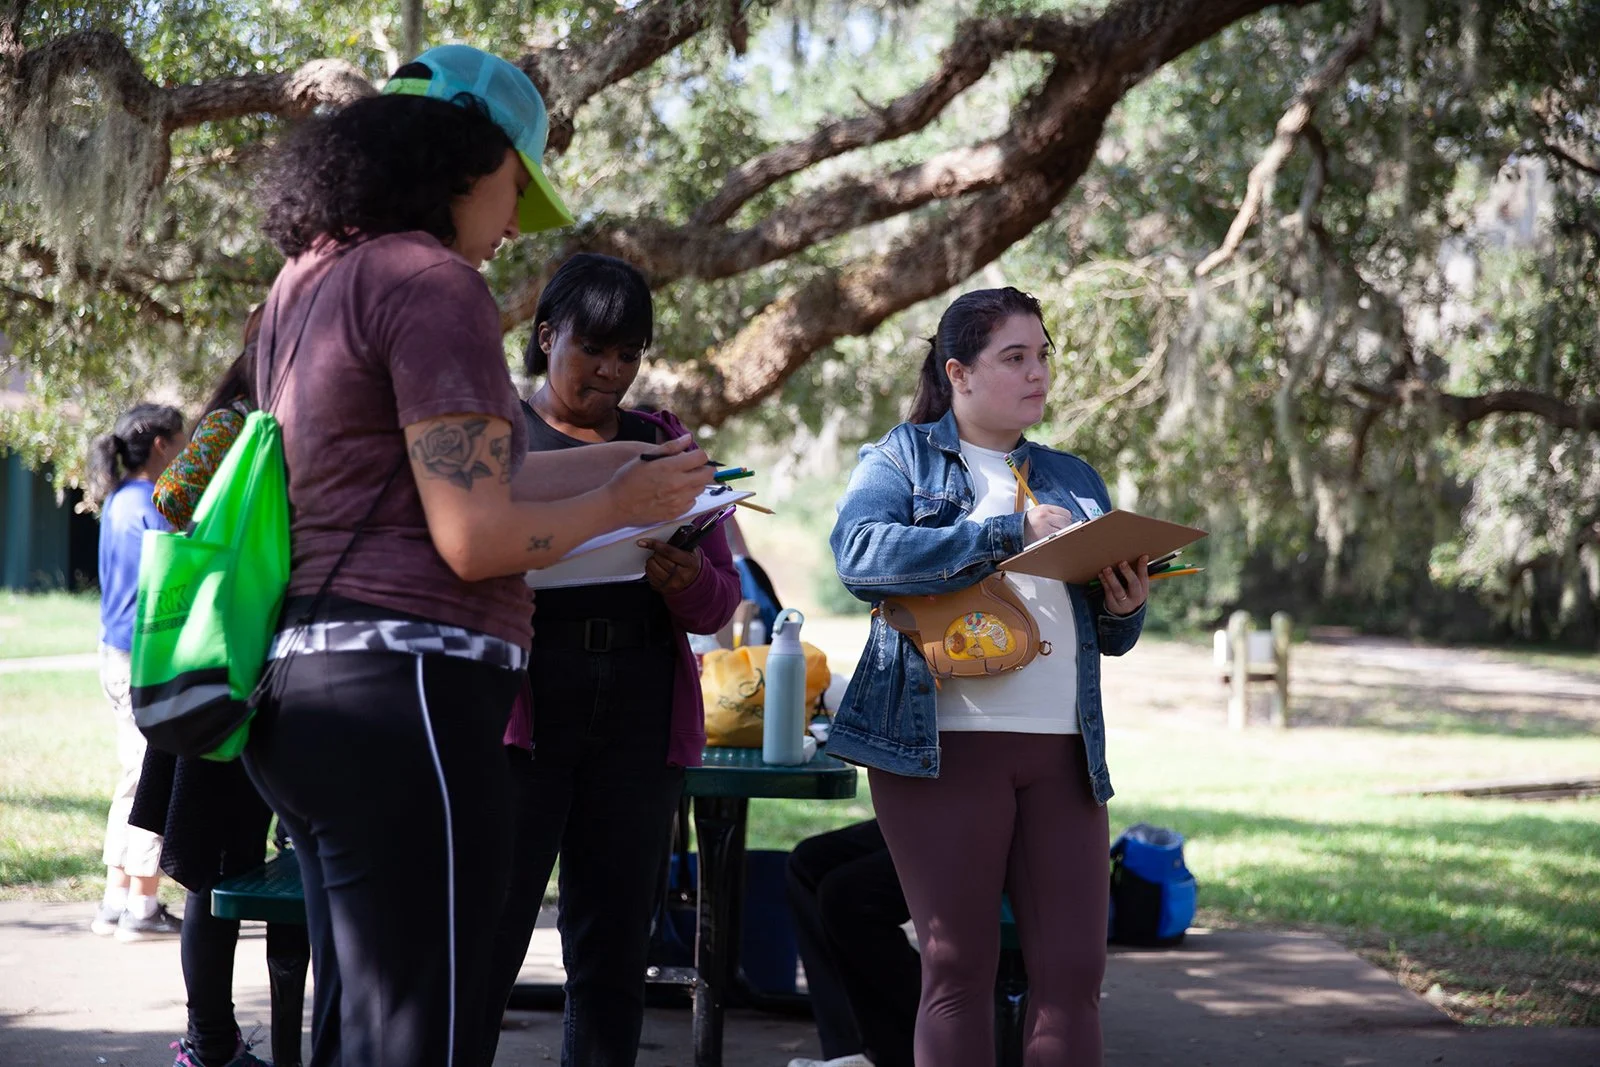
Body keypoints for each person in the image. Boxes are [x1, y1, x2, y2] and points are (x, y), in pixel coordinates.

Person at [246, 47, 713, 1067]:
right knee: (434, 1031)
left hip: (303, 697)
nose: (512, 230)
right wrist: (621, 503)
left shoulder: (304, 280)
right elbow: (471, 535)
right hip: (408, 694)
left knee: (358, 1028)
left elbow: (453, 472)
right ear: (468, 155)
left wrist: (631, 460)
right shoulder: (432, 281)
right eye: (515, 192)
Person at [828, 287, 1151, 1066]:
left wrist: (1126, 605)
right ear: (959, 372)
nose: (1037, 373)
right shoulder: (900, 457)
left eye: (1043, 355)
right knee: (957, 968)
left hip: (1065, 753)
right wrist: (1006, 530)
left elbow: (1108, 637)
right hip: (943, 746)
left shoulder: (1074, 477)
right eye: (1015, 357)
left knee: (1074, 973)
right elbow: (860, 555)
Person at [481, 253, 743, 1066]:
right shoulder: (498, 437)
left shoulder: (663, 441)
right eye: (594, 347)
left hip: (638, 708)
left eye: (629, 353)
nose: (611, 371)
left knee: (615, 950)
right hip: (524, 708)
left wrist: (686, 576)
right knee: (489, 933)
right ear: (546, 335)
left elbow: (718, 599)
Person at [128, 308, 275, 1067]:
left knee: (293, 865)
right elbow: (173, 498)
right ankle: (209, 1040)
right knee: (214, 866)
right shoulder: (243, 420)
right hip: (228, 654)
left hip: (276, 660)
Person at [87, 402, 188, 942]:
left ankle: (117, 898)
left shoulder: (121, 502)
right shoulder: (149, 504)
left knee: (132, 773)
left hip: (115, 653)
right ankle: (142, 905)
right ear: (160, 446)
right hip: (141, 657)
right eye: (183, 441)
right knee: (147, 775)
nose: (187, 452)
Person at [784, 820, 917, 1067]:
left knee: (848, 896)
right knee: (808, 863)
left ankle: (910, 1040)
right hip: (930, 808)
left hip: (983, 818)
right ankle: (848, 1053)